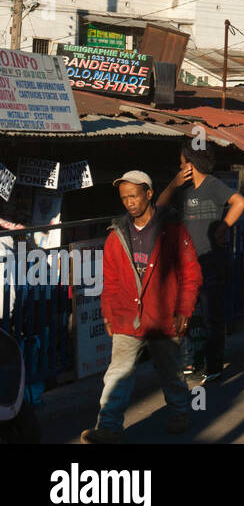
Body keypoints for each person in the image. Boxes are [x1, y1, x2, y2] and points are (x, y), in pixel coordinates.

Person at [81, 171, 201, 444]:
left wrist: (185, 308)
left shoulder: (173, 230)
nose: (129, 202)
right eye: (124, 198)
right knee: (118, 373)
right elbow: (109, 280)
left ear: (148, 194)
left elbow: (190, 273)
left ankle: (180, 412)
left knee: (170, 369)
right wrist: (108, 313)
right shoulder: (116, 235)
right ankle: (109, 427)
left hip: (163, 314)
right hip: (127, 316)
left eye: (133, 195)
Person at [156, 144, 244, 384]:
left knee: (211, 316)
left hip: (210, 260)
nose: (179, 167)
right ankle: (191, 362)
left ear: (191, 163)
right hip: (186, 264)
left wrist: (223, 226)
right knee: (185, 313)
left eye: (181, 162)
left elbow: (240, 202)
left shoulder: (213, 184)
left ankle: (213, 366)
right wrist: (173, 184)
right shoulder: (182, 189)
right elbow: (158, 208)